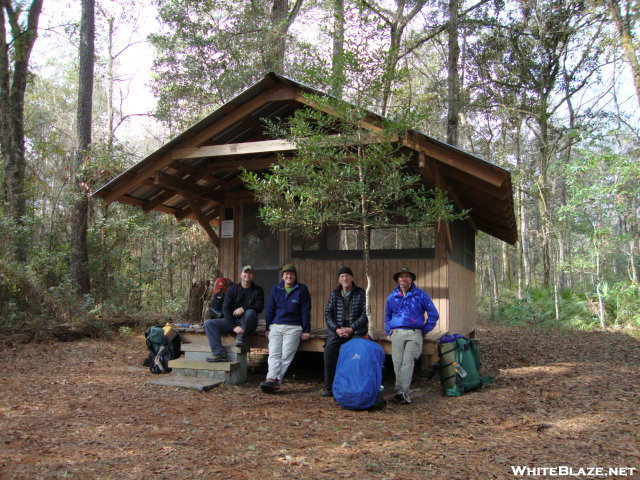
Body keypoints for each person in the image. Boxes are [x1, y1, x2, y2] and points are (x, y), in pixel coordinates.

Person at [384, 267, 439, 404]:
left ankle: (402, 393)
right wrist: (388, 331)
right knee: (397, 363)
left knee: (407, 363)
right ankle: (401, 393)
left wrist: (424, 330)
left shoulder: (421, 295)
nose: (403, 279)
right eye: (401, 277)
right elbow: (387, 316)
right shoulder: (392, 296)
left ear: (411, 279)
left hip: (414, 333)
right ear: (398, 280)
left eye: (407, 276)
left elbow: (433, 314)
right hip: (397, 333)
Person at [259, 264, 311, 393]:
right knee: (274, 353)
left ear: (295, 276)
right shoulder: (276, 289)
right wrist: (268, 327)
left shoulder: (302, 289)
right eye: (286, 274)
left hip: (294, 327)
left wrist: (306, 329)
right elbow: (270, 309)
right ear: (282, 276)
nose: (289, 276)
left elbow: (305, 310)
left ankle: (274, 380)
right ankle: (271, 379)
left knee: (286, 355)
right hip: (276, 326)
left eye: (291, 274)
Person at [321, 266, 368, 397]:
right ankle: (329, 388)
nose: (345, 278)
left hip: (356, 330)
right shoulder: (334, 293)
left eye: (347, 275)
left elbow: (365, 315)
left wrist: (351, 328)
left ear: (352, 278)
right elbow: (328, 313)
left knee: (357, 353)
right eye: (342, 276)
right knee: (329, 351)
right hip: (338, 330)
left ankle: (355, 386)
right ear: (338, 280)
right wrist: (336, 328)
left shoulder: (361, 293)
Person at [204, 265, 264, 362]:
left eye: (250, 273)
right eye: (245, 272)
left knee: (251, 312)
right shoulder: (232, 289)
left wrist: (244, 308)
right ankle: (219, 354)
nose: (247, 275)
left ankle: (240, 339)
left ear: (253, 276)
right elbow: (226, 309)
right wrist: (234, 326)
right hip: (234, 322)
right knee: (209, 324)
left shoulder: (258, 290)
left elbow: (259, 307)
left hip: (248, 323)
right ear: (241, 275)